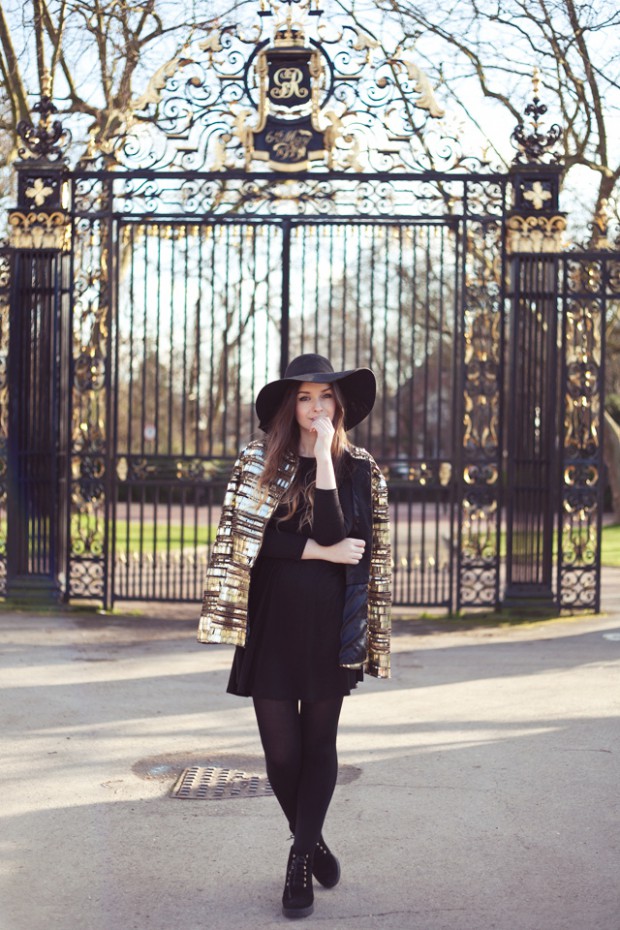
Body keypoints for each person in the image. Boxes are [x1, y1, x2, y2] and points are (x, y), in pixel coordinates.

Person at [198, 353, 391, 920]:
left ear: (339, 405)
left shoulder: (358, 469)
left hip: (331, 626)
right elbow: (248, 544)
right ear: (290, 405)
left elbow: (344, 534)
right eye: (305, 398)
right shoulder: (257, 462)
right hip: (271, 623)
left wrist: (326, 457)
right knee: (281, 754)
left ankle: (299, 859)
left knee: (319, 744)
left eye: (325, 397)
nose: (315, 407)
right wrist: (317, 552)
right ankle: (315, 842)